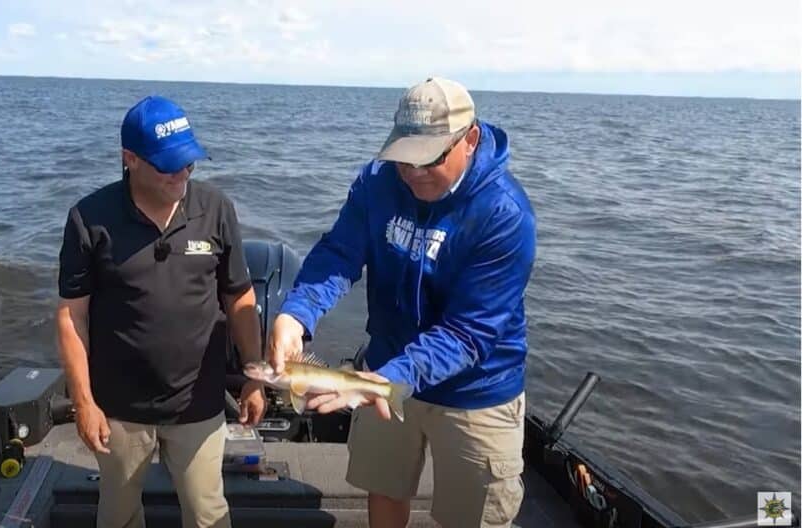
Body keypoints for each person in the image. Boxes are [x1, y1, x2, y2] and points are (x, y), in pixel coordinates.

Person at [267, 77, 536, 528]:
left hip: (475, 389)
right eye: (402, 159)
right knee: (385, 487)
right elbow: (339, 252)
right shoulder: (377, 182)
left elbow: (468, 333)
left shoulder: (505, 214)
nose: (411, 173)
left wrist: (380, 382)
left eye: (427, 159)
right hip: (384, 364)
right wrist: (296, 314)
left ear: (468, 141)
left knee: (474, 517)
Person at [55, 95, 266, 528]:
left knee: (208, 512)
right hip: (119, 406)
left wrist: (254, 376)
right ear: (129, 159)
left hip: (199, 401)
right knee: (118, 515)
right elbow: (72, 315)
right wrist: (84, 402)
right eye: (169, 165)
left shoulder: (217, 209)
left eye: (189, 161)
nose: (183, 173)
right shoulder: (88, 219)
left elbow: (239, 298)